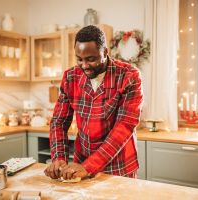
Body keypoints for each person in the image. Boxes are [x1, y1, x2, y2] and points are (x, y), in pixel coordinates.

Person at [44, 25, 143, 180]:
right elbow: (58, 121)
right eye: (79, 59)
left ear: (104, 52)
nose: (84, 65)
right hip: (81, 163)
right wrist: (59, 158)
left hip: (118, 166)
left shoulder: (129, 76)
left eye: (91, 59)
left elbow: (124, 127)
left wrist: (89, 167)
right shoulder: (70, 77)